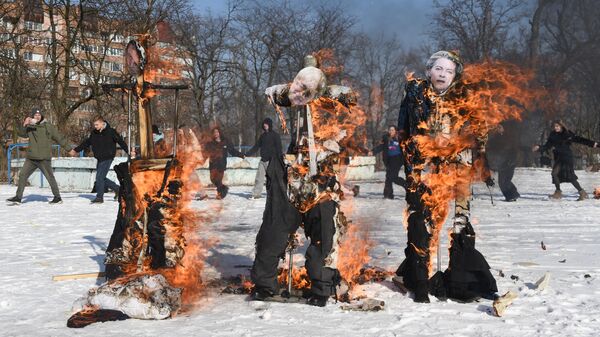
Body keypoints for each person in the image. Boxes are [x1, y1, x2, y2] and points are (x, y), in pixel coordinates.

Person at [395, 51, 497, 303]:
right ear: (429, 71)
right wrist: (412, 164)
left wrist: (479, 154)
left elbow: (480, 127)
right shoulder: (415, 94)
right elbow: (404, 130)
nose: (443, 74)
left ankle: (460, 281)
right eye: (438, 69)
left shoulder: (463, 96)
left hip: (457, 163)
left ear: (454, 76)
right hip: (427, 165)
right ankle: (419, 280)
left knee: (461, 218)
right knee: (423, 219)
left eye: (449, 71)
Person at [7, 108, 74, 205]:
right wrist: (24, 124)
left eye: (39, 115)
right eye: (35, 115)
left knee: (50, 177)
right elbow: (21, 134)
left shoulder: (48, 126)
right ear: (32, 116)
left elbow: (59, 137)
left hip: (43, 158)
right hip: (31, 158)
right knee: (22, 175)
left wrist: (69, 149)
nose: (37, 117)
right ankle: (18, 197)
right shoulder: (29, 126)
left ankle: (57, 197)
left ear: (41, 116)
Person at [533, 120, 598, 201]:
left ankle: (582, 193)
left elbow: (580, 139)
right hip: (559, 158)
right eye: (554, 126)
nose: (555, 128)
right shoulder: (553, 135)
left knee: (570, 177)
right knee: (554, 174)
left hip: (567, 157)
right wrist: (539, 147)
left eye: (557, 126)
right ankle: (558, 192)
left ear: (561, 126)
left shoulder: (567, 134)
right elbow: (547, 146)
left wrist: (593, 144)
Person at [70, 115, 129, 203]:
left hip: (108, 157)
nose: (95, 126)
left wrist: (129, 151)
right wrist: (76, 150)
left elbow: (120, 141)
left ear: (102, 123)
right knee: (101, 178)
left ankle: (99, 197)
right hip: (99, 158)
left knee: (99, 178)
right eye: (95, 125)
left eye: (97, 124)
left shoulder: (111, 132)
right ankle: (118, 189)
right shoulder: (94, 133)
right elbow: (86, 142)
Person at [244, 118, 282, 199]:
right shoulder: (262, 136)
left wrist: (279, 160)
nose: (265, 125)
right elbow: (256, 147)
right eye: (264, 124)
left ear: (270, 125)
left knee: (272, 179)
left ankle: (275, 195)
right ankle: (256, 194)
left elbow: (279, 149)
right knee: (259, 178)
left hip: (272, 160)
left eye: (266, 124)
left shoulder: (275, 136)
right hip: (263, 160)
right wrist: (247, 154)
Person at [204, 127, 245, 199]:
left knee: (218, 179)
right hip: (213, 164)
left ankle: (220, 194)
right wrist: (201, 159)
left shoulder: (225, 141)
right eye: (214, 132)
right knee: (213, 179)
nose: (215, 134)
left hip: (221, 164)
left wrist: (241, 155)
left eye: (217, 132)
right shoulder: (210, 143)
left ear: (219, 133)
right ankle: (224, 189)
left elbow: (232, 151)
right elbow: (205, 153)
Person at [486, 121, 520, 202]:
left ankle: (513, 195)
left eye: (500, 127)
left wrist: (512, 161)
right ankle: (511, 195)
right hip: (501, 163)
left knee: (506, 181)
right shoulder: (495, 138)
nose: (498, 129)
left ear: (505, 128)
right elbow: (490, 146)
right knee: (502, 182)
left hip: (510, 163)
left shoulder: (510, 138)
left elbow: (515, 151)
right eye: (497, 127)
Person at [372, 125, 406, 199]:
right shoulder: (386, 139)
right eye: (390, 130)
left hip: (397, 159)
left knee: (393, 177)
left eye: (392, 130)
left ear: (395, 131)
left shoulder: (400, 138)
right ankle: (388, 194)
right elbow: (381, 147)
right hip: (389, 160)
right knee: (388, 177)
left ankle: (407, 185)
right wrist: (373, 151)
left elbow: (406, 148)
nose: (391, 131)